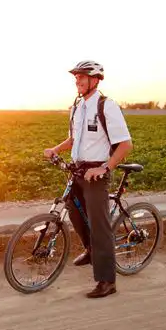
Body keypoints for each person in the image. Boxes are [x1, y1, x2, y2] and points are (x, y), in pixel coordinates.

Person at [44, 60, 133, 298]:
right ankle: (92, 250)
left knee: (99, 224)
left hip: (97, 171)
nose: (78, 81)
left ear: (95, 80)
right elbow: (73, 140)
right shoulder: (77, 107)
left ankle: (107, 280)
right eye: (76, 78)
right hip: (78, 169)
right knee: (74, 211)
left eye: (82, 77)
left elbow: (125, 144)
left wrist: (105, 168)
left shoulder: (107, 106)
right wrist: (56, 148)